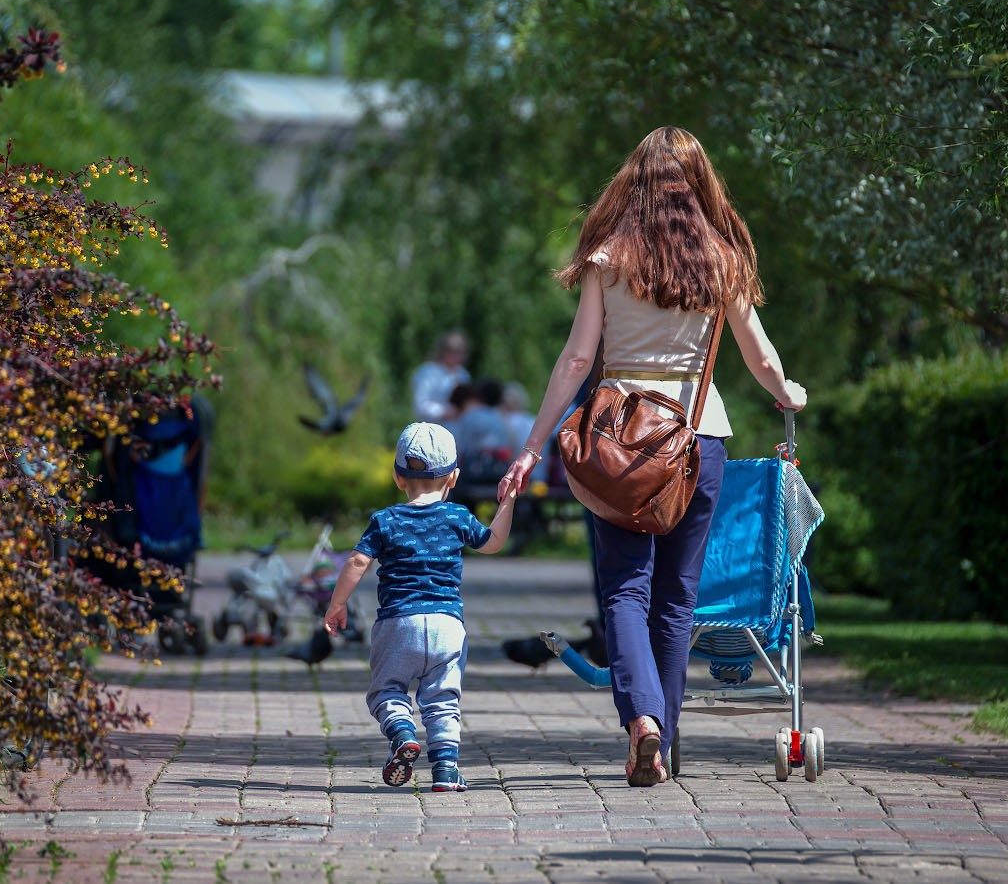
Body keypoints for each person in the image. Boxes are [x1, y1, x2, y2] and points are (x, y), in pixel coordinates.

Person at [497, 126, 808, 787]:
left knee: (624, 589)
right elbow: (759, 355)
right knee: (676, 600)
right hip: (699, 442)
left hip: (618, 443)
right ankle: (661, 740)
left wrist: (531, 446)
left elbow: (578, 358)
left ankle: (642, 724)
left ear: (633, 184)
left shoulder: (608, 256)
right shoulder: (721, 261)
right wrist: (789, 393)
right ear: (698, 186)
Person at [324, 422, 518, 793]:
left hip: (398, 623)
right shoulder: (457, 516)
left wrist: (337, 604)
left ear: (398, 478)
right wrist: (507, 501)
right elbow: (493, 543)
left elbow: (356, 563)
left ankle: (402, 735)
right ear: (454, 477)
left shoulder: (386, 520)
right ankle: (446, 771)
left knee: (387, 691)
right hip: (447, 625)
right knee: (443, 698)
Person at [410, 330, 471, 421]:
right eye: (454, 352)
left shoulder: (463, 374)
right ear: (443, 352)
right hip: (431, 427)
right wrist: (444, 412)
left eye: (461, 353)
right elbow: (421, 405)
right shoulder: (428, 372)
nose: (458, 357)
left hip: (458, 428)